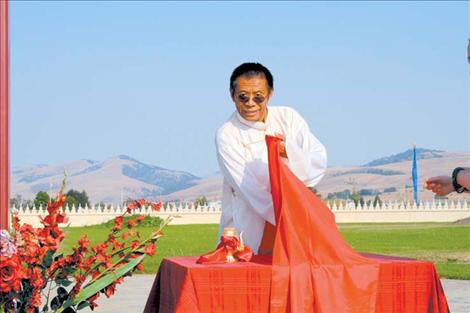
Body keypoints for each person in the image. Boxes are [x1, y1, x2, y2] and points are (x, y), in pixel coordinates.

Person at [215, 62, 327, 254]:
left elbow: (317, 160)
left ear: (270, 94)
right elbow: (248, 189)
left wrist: (289, 151)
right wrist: (288, 220)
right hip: (251, 220)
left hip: (295, 213)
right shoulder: (227, 134)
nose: (250, 103)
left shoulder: (288, 117)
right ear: (232, 95)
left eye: (258, 97)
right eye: (243, 97)